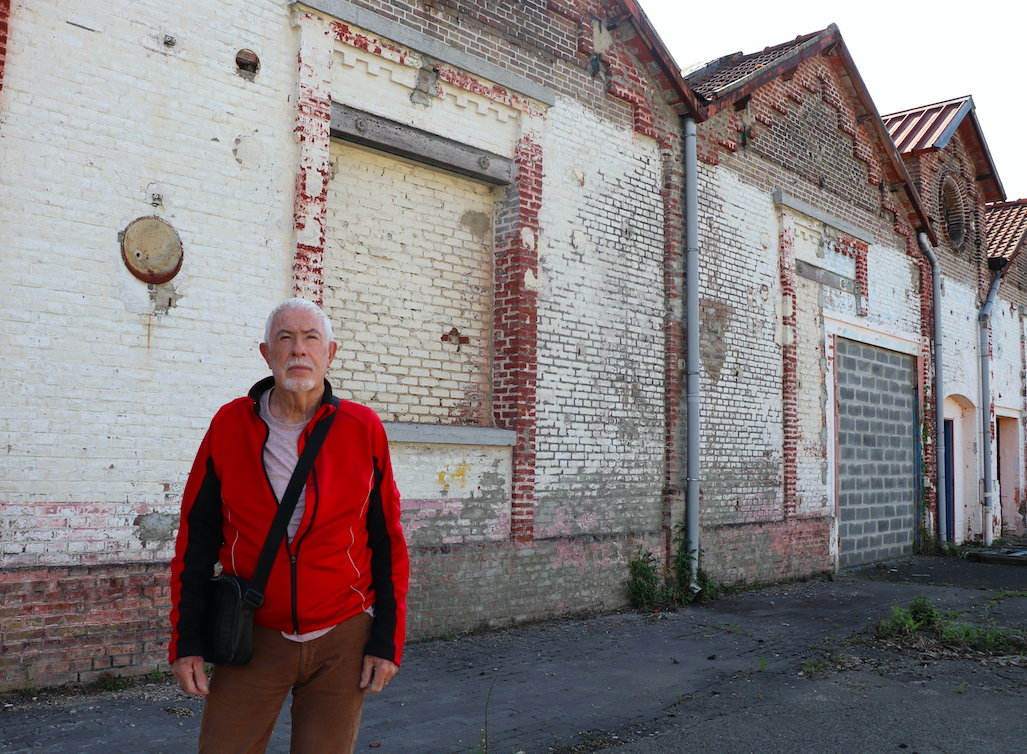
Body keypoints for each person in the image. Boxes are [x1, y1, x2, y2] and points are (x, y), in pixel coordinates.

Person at [168, 298, 409, 754]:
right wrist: (187, 641)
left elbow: (388, 541)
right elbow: (195, 541)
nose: (298, 350)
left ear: (330, 353)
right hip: (251, 635)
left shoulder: (363, 429)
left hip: (343, 637)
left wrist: (386, 641)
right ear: (266, 354)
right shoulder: (228, 426)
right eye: (285, 339)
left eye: (310, 338)